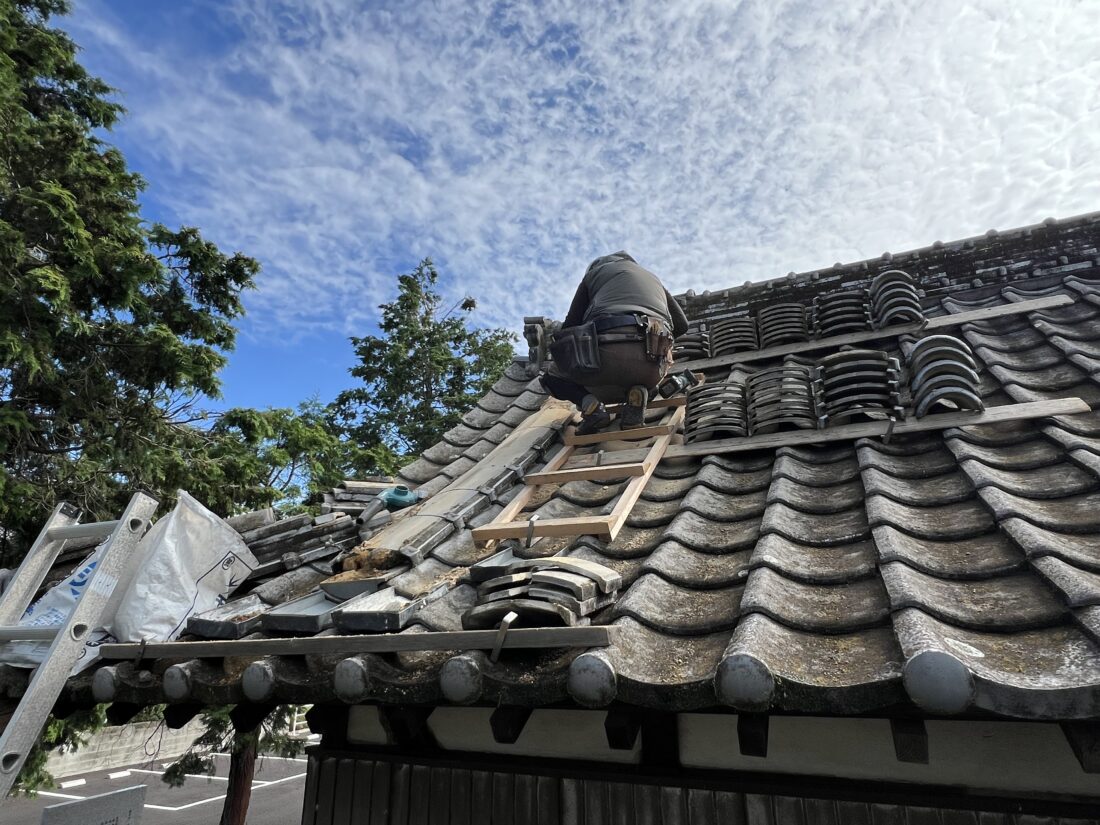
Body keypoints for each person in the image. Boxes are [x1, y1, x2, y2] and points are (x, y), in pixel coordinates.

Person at [540, 251, 689, 434]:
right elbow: (682, 325)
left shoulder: (593, 275)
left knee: (551, 377)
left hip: (605, 358)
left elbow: (570, 327)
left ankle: (591, 407)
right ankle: (638, 394)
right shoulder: (653, 278)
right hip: (652, 367)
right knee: (643, 377)